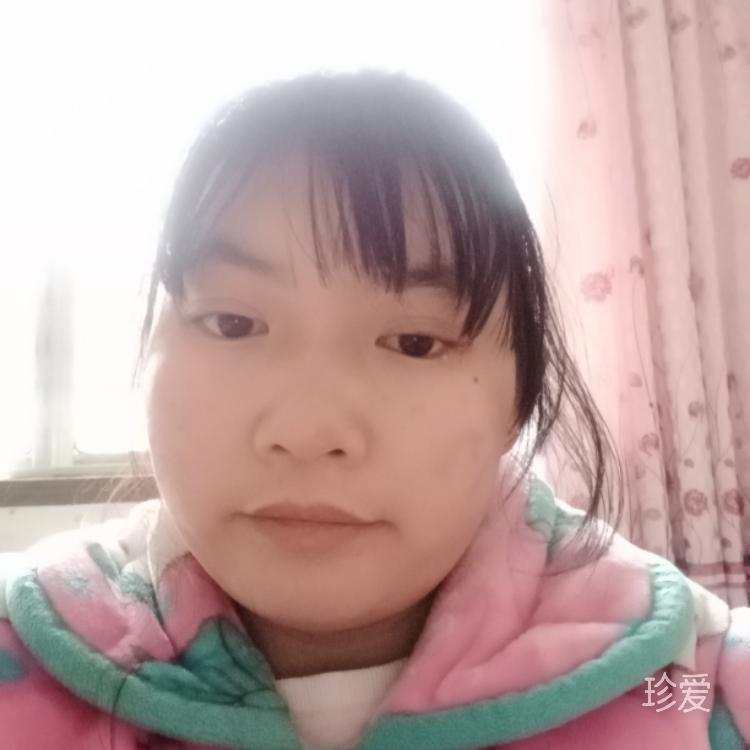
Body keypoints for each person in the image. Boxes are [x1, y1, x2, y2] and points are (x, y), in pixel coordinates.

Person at [0, 70, 747, 750]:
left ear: (520, 401)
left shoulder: (691, 684)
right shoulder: (27, 652)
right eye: (233, 323)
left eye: (414, 342)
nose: (307, 432)